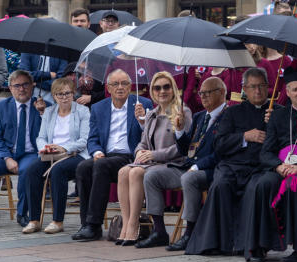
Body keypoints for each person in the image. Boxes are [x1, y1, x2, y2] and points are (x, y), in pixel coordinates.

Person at [239, 69, 297, 262]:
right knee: (263, 184)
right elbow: (266, 151)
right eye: (296, 89)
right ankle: (259, 246)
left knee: (296, 184)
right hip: (281, 167)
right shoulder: (277, 117)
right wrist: (279, 167)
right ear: (288, 92)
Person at [187, 68, 278, 255]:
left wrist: (276, 123)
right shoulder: (232, 112)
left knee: (255, 189)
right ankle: (215, 244)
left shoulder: (278, 112)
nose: (258, 91)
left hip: (260, 168)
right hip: (231, 166)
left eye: (261, 86)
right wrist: (245, 136)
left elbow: (286, 143)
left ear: (268, 87)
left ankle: (253, 247)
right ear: (244, 88)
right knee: (219, 185)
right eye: (252, 87)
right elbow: (220, 144)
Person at [71, 69, 153, 241]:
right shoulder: (99, 107)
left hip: (129, 156)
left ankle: (94, 224)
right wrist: (97, 152)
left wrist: (142, 121)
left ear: (131, 86)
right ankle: (86, 223)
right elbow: (92, 138)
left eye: (124, 83)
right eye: (115, 84)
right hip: (106, 154)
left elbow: (150, 136)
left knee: (102, 166)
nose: (120, 87)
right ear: (108, 87)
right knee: (83, 167)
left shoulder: (142, 104)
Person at [114, 72, 192, 248]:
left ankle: (134, 226)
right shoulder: (151, 114)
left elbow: (182, 148)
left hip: (173, 164)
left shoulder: (183, 111)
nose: (162, 91)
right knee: (123, 171)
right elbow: (142, 143)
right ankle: (126, 224)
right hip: (152, 164)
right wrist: (140, 152)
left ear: (173, 89)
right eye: (157, 88)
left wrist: (154, 155)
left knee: (135, 172)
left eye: (166, 87)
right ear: (152, 91)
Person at [22, 76, 90, 234]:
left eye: (68, 93)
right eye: (60, 94)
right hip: (52, 154)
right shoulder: (49, 112)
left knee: (58, 170)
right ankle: (34, 220)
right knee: (32, 169)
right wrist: (44, 148)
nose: (64, 97)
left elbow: (84, 140)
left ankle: (57, 221)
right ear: (54, 96)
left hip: (75, 154)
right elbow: (41, 137)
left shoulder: (83, 111)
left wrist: (63, 148)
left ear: (73, 93)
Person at [166, 77, 227, 251]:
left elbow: (223, 152)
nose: (203, 97)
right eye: (201, 93)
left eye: (207, 93)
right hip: (190, 166)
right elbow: (188, 150)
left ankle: (190, 233)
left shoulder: (229, 116)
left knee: (190, 178)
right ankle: (158, 231)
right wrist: (179, 130)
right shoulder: (200, 116)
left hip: (213, 169)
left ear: (221, 92)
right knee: (151, 177)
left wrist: (198, 166)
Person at [0, 70, 41, 230]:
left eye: (25, 84)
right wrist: (7, 158)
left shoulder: (41, 105)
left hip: (30, 153)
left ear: (32, 86)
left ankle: (22, 214)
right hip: (4, 152)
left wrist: (43, 112)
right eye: (17, 85)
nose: (21, 89)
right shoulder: (1, 106)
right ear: (10, 87)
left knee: (28, 170)